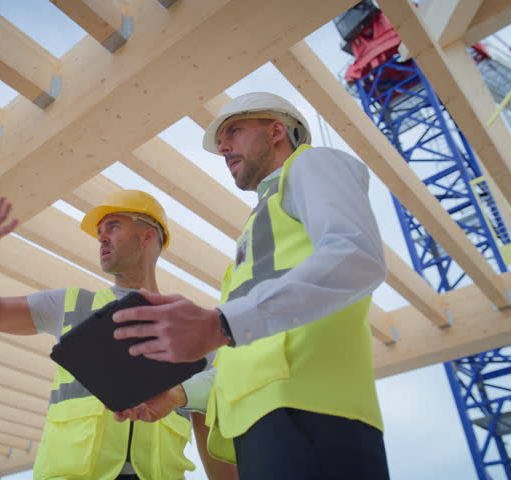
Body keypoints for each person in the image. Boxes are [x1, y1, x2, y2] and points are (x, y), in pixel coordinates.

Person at [112, 92, 391, 479]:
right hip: (262, 427)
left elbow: (356, 256)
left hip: (311, 414)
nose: (223, 147)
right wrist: (179, 393)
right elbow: (243, 354)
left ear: (277, 131)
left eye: (234, 131)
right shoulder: (259, 227)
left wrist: (220, 323)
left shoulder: (311, 163)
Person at [0, 189, 232, 480]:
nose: (101, 237)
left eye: (113, 227)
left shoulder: (190, 326)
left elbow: (212, 421)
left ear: (148, 236)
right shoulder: (71, 305)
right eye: (100, 232)